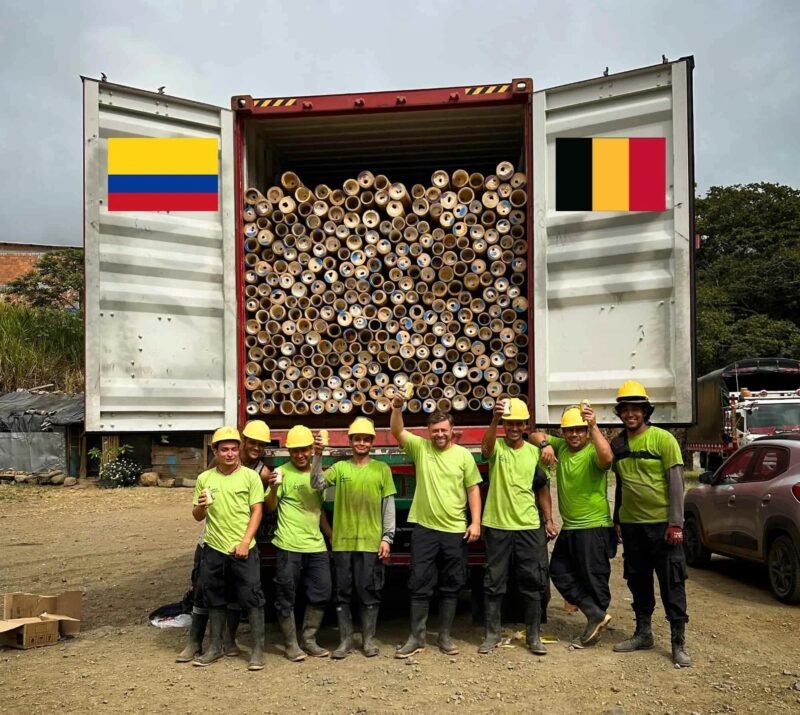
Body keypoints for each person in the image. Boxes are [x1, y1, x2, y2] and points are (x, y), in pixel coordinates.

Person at [390, 395, 482, 658]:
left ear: (452, 431)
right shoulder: (421, 449)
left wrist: (475, 522)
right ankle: (417, 637)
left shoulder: (464, 456)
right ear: (428, 433)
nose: (440, 435)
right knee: (419, 582)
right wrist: (397, 407)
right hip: (425, 529)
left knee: (452, 584)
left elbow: (473, 489)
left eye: (444, 430)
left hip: (455, 530)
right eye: (435, 431)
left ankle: (444, 636)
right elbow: (397, 430)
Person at [176, 419, 274, 664]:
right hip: (213, 548)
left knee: (252, 598)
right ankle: (214, 647)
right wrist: (200, 507)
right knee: (213, 598)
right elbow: (197, 516)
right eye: (224, 449)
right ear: (215, 451)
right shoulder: (205, 478)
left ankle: (258, 652)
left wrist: (245, 542)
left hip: (243, 548)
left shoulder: (251, 477)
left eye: (233, 448)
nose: (229, 453)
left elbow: (258, 511)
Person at [610, 380, 691, 667]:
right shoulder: (618, 444)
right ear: (620, 413)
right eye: (626, 410)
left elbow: (676, 483)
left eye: (636, 409)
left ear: (646, 411)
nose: (630, 414)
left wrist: (676, 523)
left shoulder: (663, 440)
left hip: (662, 527)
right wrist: (618, 518)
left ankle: (677, 642)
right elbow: (621, 483)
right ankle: (643, 634)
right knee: (638, 580)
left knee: (672, 583)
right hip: (632, 527)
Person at [311, 417, 397, 659]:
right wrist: (318, 455)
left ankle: (368, 640)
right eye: (357, 439)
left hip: (371, 541)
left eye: (365, 439)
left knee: (369, 590)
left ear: (372, 441)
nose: (361, 442)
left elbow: (388, 505)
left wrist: (387, 538)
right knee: (343, 591)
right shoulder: (340, 469)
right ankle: (345, 641)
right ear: (350, 441)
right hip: (343, 542)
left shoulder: (381, 469)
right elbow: (316, 483)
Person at [478, 398, 556, 656]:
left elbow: (542, 487)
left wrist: (550, 519)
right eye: (508, 424)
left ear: (524, 426)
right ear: (504, 425)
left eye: (518, 424)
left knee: (533, 581)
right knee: (493, 581)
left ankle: (533, 636)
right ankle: (491, 635)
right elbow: (485, 448)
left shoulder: (534, 453)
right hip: (498, 524)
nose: (513, 428)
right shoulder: (497, 448)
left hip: (528, 526)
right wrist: (493, 420)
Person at [534, 404, 616, 647]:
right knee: (558, 570)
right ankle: (596, 615)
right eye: (569, 430)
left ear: (587, 431)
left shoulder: (592, 452)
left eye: (579, 430)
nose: (574, 435)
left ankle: (595, 624)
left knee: (594, 577)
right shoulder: (562, 448)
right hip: (571, 527)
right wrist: (544, 444)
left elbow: (608, 457)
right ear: (563, 432)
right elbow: (533, 434)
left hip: (594, 526)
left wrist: (594, 426)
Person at [265, 424, 332, 661]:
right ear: (289, 452)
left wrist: (329, 534)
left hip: (316, 545)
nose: (301, 455)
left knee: (322, 591)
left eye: (305, 450)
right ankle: (291, 644)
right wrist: (273, 488)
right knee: (286, 595)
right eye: (295, 451)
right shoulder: (282, 472)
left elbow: (320, 509)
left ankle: (309, 639)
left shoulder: (318, 473)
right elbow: (271, 507)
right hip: (288, 545)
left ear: (312, 450)